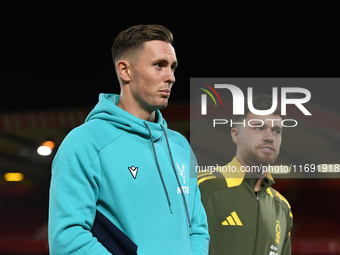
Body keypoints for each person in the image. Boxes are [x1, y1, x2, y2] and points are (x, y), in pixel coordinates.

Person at [49, 24, 209, 255]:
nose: (171, 77)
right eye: (159, 66)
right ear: (125, 70)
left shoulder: (181, 147)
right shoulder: (84, 142)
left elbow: (198, 229)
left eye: (173, 67)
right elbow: (68, 239)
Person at [198, 94, 293, 255]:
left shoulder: (283, 208)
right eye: (259, 127)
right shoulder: (203, 186)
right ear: (236, 135)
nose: (269, 137)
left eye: (276, 130)